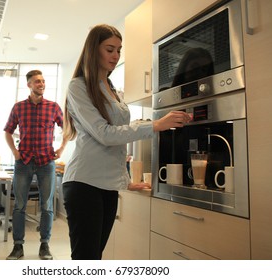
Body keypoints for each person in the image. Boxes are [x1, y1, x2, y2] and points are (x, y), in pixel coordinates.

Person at [62, 24, 192, 260]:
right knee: (85, 259)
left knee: (94, 257)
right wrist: (154, 125)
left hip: (109, 187)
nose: (115, 56)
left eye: (119, 50)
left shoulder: (112, 90)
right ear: (93, 50)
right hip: (84, 183)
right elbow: (105, 134)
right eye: (110, 49)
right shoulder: (78, 86)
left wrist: (125, 180)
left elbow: (117, 145)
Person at [4, 70, 67, 260]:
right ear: (29, 85)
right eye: (37, 81)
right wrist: (14, 152)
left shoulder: (53, 107)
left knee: (47, 206)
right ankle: (17, 247)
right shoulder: (18, 107)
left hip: (46, 161)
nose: (41, 84)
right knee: (19, 206)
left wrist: (62, 148)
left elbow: (68, 129)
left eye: (43, 81)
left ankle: (44, 245)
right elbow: (7, 131)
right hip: (23, 161)